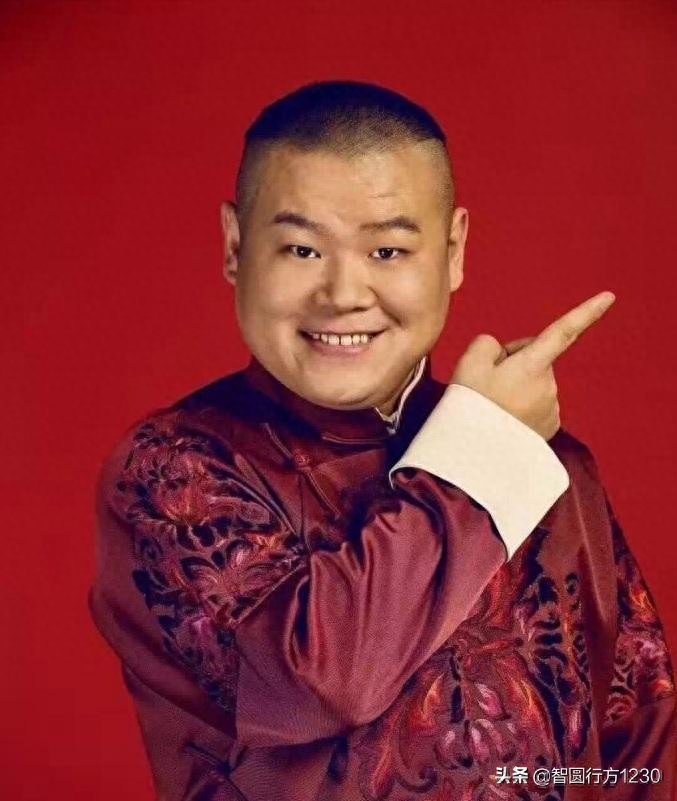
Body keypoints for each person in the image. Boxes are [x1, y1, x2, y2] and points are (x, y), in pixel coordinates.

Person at [88, 80, 676, 801]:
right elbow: (322, 683)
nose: (343, 293)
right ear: (236, 247)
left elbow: (636, 745)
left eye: (388, 250)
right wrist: (481, 452)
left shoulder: (549, 465)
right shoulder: (173, 469)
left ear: (453, 251)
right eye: (302, 249)